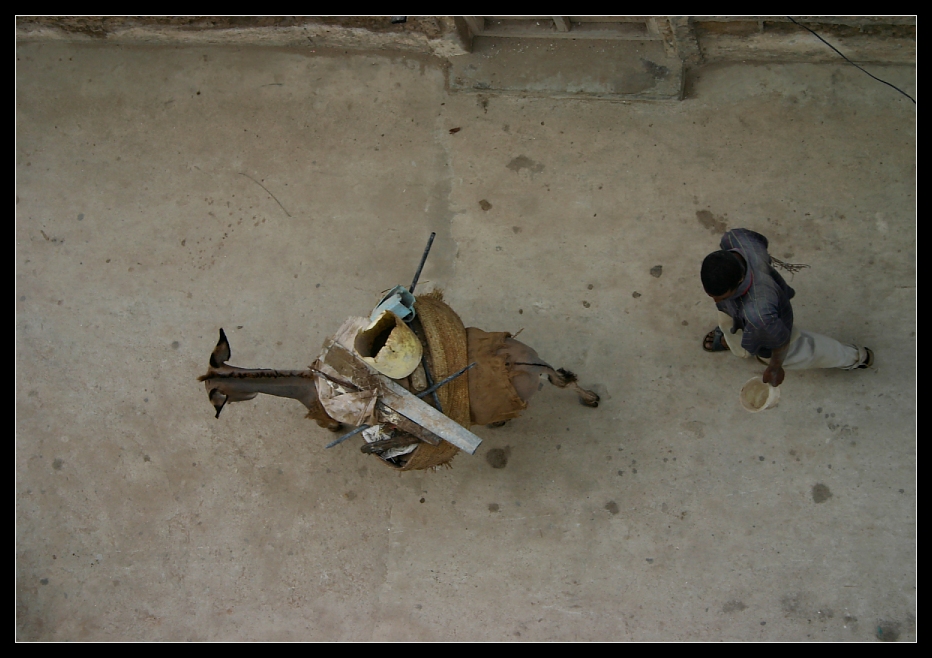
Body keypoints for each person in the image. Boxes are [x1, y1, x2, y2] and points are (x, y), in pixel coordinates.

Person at [701, 228, 872, 386]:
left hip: (767, 321)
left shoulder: (759, 314)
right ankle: (733, 341)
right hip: (747, 312)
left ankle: (855, 357)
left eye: (721, 296)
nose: (715, 301)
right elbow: (761, 242)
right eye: (711, 294)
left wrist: (775, 367)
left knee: (805, 351)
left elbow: (781, 343)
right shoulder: (735, 238)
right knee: (731, 325)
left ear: (739, 281)